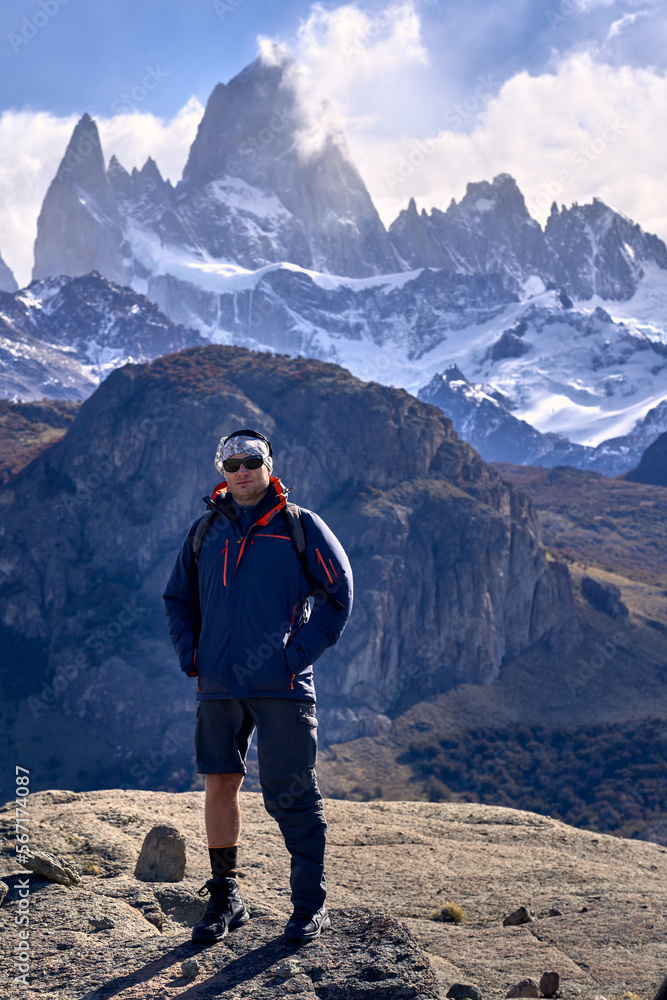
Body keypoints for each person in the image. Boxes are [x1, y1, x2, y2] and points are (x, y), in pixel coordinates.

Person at [163, 428, 353, 945]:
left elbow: (339, 595)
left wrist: (296, 655)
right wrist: (192, 656)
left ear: (268, 465)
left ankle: (308, 906)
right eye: (232, 465)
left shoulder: (300, 527)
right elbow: (177, 600)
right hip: (219, 686)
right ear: (221, 473)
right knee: (220, 784)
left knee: (290, 791)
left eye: (252, 462)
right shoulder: (204, 531)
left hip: (282, 686)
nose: (242, 471)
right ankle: (227, 898)